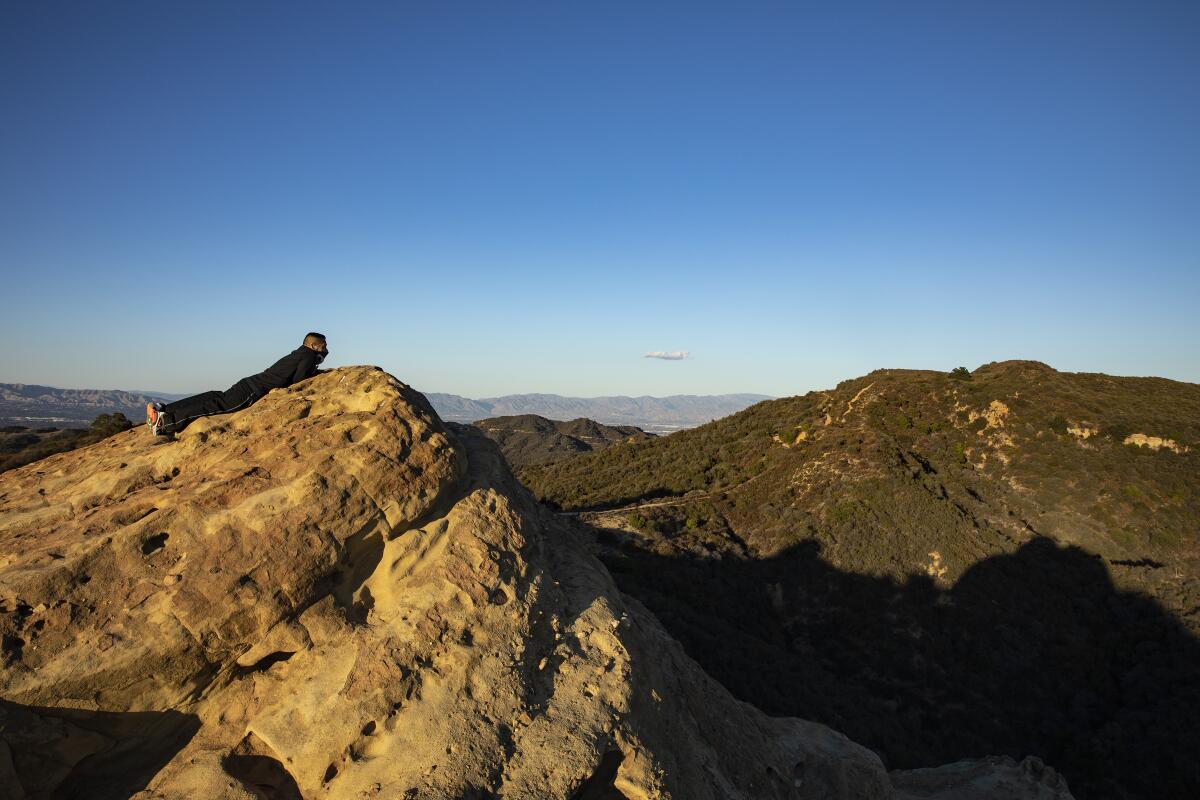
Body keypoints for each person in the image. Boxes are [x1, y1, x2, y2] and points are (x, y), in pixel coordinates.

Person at [146, 332, 330, 436]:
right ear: (314, 347)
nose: (326, 349)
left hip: (249, 382)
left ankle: (166, 408)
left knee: (214, 396)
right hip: (254, 391)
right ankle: (165, 422)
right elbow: (300, 380)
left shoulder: (298, 352)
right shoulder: (308, 355)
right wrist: (318, 364)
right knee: (217, 405)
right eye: (323, 347)